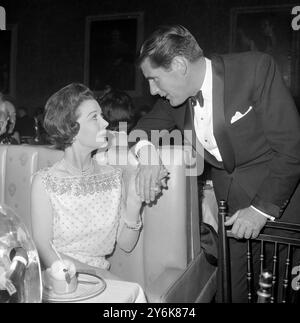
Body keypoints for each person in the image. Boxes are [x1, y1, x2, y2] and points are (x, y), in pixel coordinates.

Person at [131, 25, 300, 302]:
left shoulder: (255, 69)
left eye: (154, 79)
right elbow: (139, 130)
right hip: (231, 218)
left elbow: (292, 147)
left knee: (282, 294)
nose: (152, 90)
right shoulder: (174, 100)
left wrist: (260, 210)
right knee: (230, 293)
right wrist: (148, 154)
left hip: (283, 211)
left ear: (179, 65)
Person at [30, 83, 147, 302]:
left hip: (103, 284)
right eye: (95, 117)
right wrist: (99, 275)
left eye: (102, 116)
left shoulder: (112, 176)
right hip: (60, 282)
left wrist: (134, 203)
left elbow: (126, 243)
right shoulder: (45, 182)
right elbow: (44, 247)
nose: (105, 123)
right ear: (71, 127)